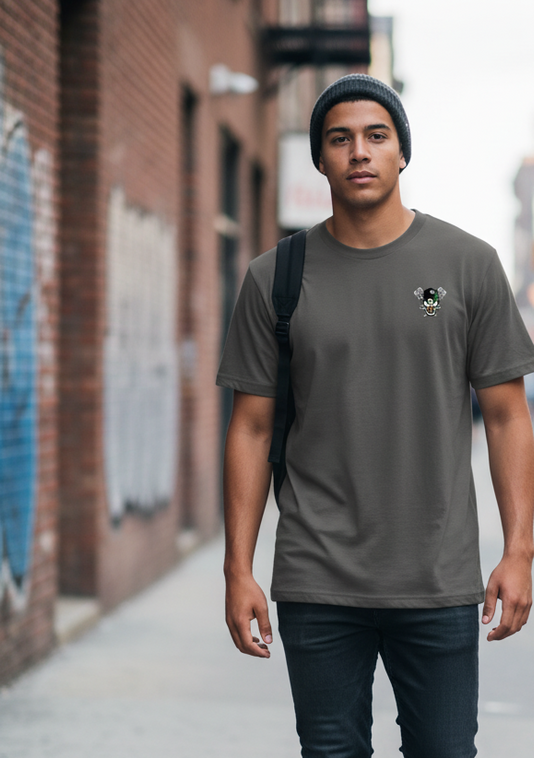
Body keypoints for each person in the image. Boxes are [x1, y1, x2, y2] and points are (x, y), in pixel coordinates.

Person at [216, 74, 534, 758]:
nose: (358, 151)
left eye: (375, 135)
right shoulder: (275, 278)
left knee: (445, 751)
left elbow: (508, 418)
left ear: (401, 154)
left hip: (437, 576)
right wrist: (237, 569)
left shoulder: (464, 266)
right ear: (321, 159)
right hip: (317, 574)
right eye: (340, 139)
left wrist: (518, 550)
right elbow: (249, 427)